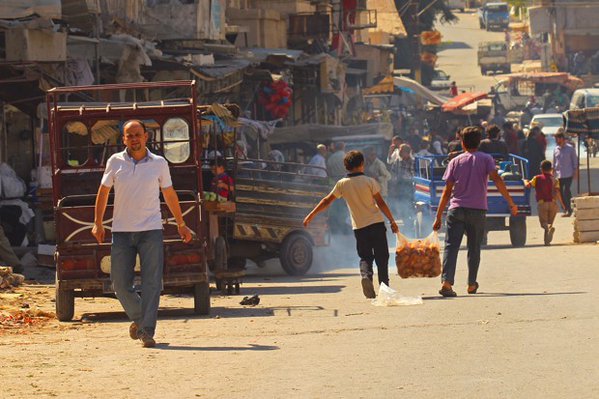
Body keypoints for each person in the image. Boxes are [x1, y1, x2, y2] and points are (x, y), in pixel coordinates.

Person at [92, 120, 193, 348]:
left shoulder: (159, 163)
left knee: (152, 283)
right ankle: (140, 319)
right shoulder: (115, 161)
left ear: (146, 137)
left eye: (138, 134)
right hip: (121, 232)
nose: (134, 138)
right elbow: (103, 191)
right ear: (124, 139)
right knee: (119, 283)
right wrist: (97, 223)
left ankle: (147, 331)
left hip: (151, 231)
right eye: (130, 135)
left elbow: (169, 194)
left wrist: (181, 224)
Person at [433, 126, 518, 297]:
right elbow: (498, 180)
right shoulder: (486, 159)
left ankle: (447, 283)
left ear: (462, 143)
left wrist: (438, 216)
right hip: (477, 211)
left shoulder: (455, 162)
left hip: (456, 210)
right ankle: (471, 284)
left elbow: (447, 191)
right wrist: (511, 202)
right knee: (474, 248)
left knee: (451, 247)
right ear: (479, 143)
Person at [303, 150, 399, 298]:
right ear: (362, 164)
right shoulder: (369, 181)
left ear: (346, 166)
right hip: (376, 224)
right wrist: (392, 221)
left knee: (365, 257)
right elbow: (380, 203)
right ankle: (384, 287)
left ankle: (366, 276)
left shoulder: (342, 184)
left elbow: (326, 201)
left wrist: (311, 214)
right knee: (382, 256)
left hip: (359, 227)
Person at [524, 160, 567, 246]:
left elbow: (528, 185)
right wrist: (563, 205)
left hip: (542, 203)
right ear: (551, 169)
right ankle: (547, 241)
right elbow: (558, 193)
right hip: (553, 203)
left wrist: (525, 181)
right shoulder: (555, 180)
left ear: (541, 169)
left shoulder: (537, 178)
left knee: (544, 223)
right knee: (550, 222)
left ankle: (547, 228)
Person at [553, 131, 578, 217]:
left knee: (565, 191)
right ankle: (569, 208)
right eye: (556, 139)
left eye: (558, 139)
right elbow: (554, 162)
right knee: (562, 193)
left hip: (568, 174)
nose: (557, 141)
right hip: (559, 175)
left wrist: (575, 172)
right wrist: (553, 174)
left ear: (562, 139)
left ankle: (569, 210)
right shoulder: (556, 149)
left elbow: (575, 161)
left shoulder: (570, 149)